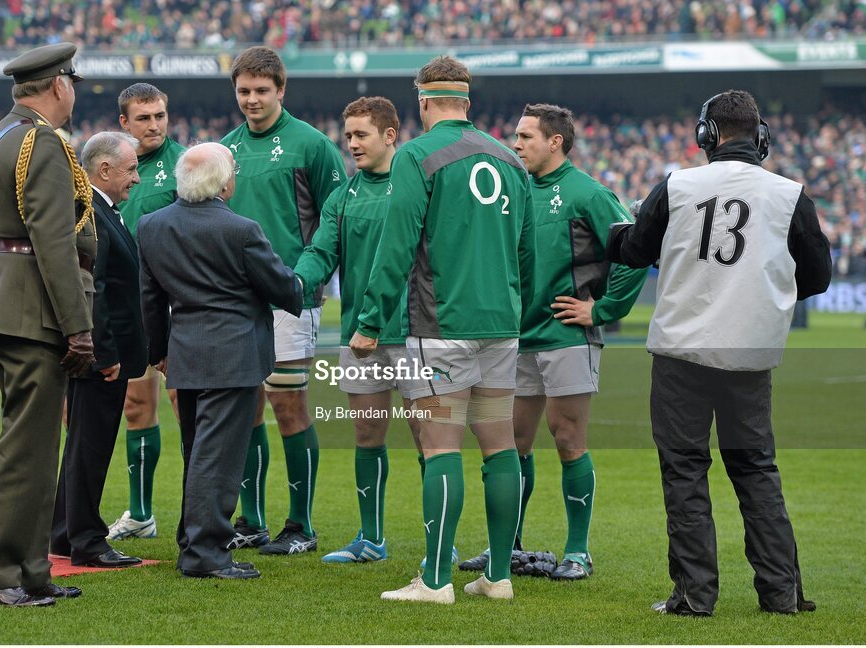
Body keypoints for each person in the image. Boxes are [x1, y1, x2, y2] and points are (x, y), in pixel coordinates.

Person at [606, 89, 831, 616]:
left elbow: (636, 249)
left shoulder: (678, 184)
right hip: (749, 355)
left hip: (682, 353)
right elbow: (817, 277)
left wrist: (614, 234)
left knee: (685, 474)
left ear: (708, 135)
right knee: (757, 472)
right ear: (760, 136)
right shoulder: (789, 194)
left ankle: (694, 595)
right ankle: (782, 594)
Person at [350, 56, 534, 604]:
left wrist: (368, 322)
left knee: (440, 445)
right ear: (468, 104)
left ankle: (435, 581)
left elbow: (397, 246)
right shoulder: (508, 157)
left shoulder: (416, 154)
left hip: (440, 322)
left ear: (423, 102)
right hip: (501, 322)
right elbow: (526, 250)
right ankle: (498, 576)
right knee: (499, 446)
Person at [459, 103, 647, 580]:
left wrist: (601, 310)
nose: (515, 144)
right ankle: (509, 545)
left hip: (567, 336)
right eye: (516, 136)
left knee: (568, 440)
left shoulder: (588, 193)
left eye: (525, 137)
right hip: (517, 339)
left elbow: (634, 254)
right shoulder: (513, 190)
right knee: (512, 444)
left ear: (555, 142)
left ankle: (578, 552)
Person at [0, 42, 95, 608]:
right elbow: (53, 239)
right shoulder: (39, 141)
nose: (75, 93)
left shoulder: (0, 137)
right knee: (26, 451)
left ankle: (32, 571)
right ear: (58, 85)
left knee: (38, 450)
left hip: (7, 297)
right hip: (32, 307)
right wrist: (78, 325)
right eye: (73, 83)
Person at [137, 142, 303, 579]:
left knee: (197, 451)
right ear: (226, 183)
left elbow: (149, 300)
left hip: (185, 353)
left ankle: (194, 541)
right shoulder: (241, 230)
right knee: (218, 456)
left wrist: (159, 353)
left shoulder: (151, 226)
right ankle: (206, 553)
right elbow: (284, 289)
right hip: (234, 354)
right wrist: (300, 283)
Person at [221, 46, 346, 554]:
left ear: (281, 90)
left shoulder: (311, 146)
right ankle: (250, 519)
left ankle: (301, 525)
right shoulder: (224, 148)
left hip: (291, 300)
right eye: (244, 91)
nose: (251, 100)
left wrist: (310, 281)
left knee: (289, 406)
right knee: (245, 409)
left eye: (261, 91)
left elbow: (336, 219)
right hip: (235, 301)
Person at [294, 96, 424, 564]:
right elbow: (320, 252)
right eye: (347, 135)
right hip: (360, 337)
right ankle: (371, 538)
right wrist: (293, 281)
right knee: (367, 436)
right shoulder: (343, 195)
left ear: (390, 135)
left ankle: (439, 542)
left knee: (430, 439)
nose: (351, 144)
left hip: (416, 332)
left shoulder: (419, 186)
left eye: (360, 134)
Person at [50, 131, 145, 568]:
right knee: (91, 446)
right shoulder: (92, 213)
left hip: (101, 353)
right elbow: (96, 289)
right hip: (102, 358)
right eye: (132, 169)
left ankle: (66, 532)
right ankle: (87, 540)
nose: (138, 179)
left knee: (82, 444)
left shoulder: (105, 211)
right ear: (104, 170)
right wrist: (104, 353)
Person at [106, 83, 187, 542]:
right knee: (137, 407)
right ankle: (140, 513)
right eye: (143, 118)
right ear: (124, 123)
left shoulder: (186, 165)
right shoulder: (109, 165)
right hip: (128, 304)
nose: (154, 125)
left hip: (178, 304)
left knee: (186, 407)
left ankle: (197, 512)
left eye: (159, 115)